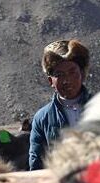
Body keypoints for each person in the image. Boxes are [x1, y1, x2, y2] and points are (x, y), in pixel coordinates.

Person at [29, 39, 92, 170]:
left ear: (82, 73)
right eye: (59, 74)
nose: (67, 80)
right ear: (50, 81)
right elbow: (36, 163)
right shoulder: (42, 118)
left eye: (72, 72)